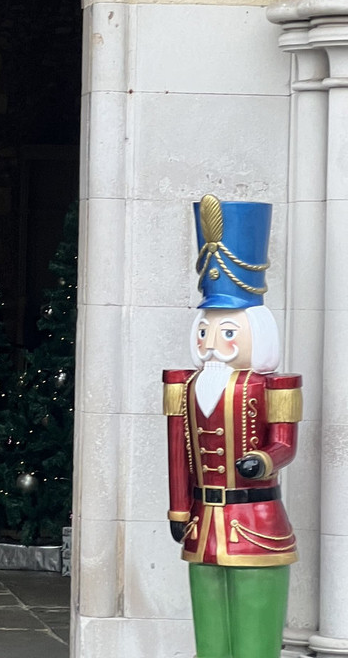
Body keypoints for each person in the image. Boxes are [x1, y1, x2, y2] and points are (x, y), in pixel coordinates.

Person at [163, 194, 302, 658]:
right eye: (206, 329)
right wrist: (179, 510)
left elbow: (284, 444)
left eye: (228, 331)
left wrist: (262, 460)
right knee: (211, 638)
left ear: (256, 332)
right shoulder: (184, 385)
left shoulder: (274, 385)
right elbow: (178, 453)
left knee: (254, 640)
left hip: (256, 523)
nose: (211, 342)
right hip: (204, 525)